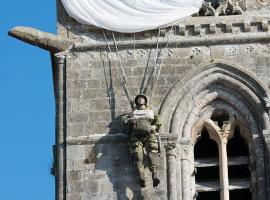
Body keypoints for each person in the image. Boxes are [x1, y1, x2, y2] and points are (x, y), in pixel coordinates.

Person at [126, 94, 161, 187]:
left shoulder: (150, 111)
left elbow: (158, 119)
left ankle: (154, 174)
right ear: (137, 101)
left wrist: (155, 126)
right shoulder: (133, 112)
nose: (140, 100)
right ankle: (141, 175)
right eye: (139, 99)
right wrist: (130, 120)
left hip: (149, 134)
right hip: (136, 136)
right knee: (138, 156)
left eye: (142, 98)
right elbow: (125, 120)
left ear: (145, 101)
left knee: (152, 155)